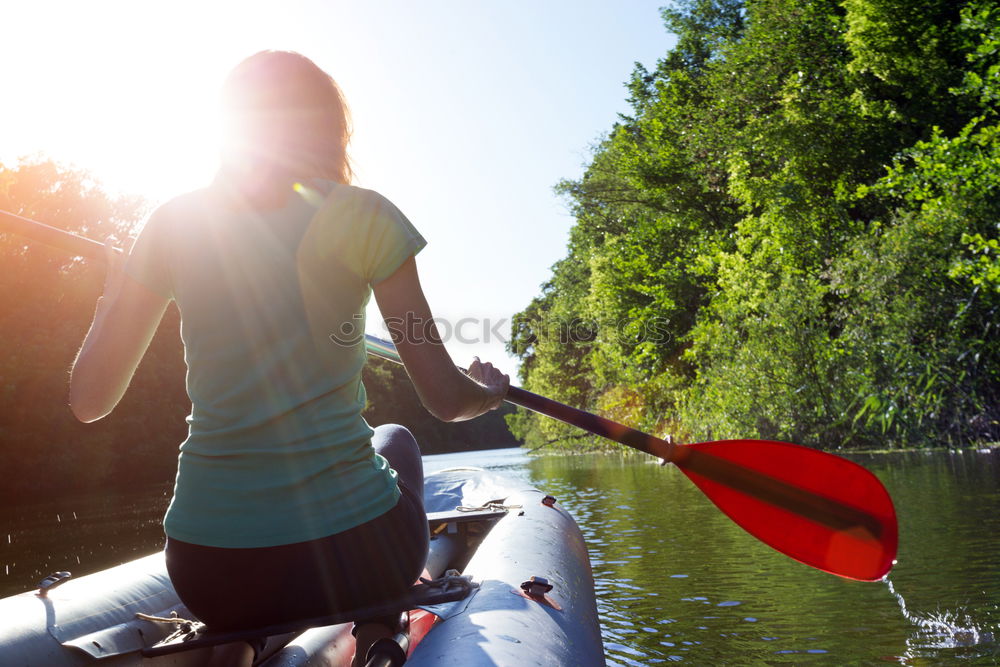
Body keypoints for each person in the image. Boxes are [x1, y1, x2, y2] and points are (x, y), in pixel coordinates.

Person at [69, 50, 510, 666]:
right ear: (328, 127)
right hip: (358, 557)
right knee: (397, 439)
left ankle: (241, 642)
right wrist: (489, 391)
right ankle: (381, 626)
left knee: (355, 470)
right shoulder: (368, 217)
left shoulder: (172, 223)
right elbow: (446, 398)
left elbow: (88, 402)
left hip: (212, 571)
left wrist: (114, 297)